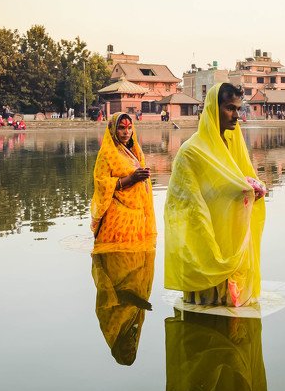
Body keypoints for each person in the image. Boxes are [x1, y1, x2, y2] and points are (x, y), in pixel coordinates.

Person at [164, 83, 267, 308]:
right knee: (207, 302)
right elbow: (184, 202)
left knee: (230, 305)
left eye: (239, 109)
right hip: (207, 234)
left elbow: (242, 178)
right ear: (213, 108)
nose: (236, 116)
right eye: (230, 108)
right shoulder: (191, 151)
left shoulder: (232, 144)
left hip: (230, 231)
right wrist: (235, 189)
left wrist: (254, 190)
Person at [90, 113, 157, 251]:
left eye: (129, 128)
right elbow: (101, 183)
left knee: (136, 261)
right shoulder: (106, 154)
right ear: (113, 129)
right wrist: (131, 179)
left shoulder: (135, 151)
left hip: (137, 215)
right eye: (121, 128)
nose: (126, 132)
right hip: (117, 217)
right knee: (118, 262)